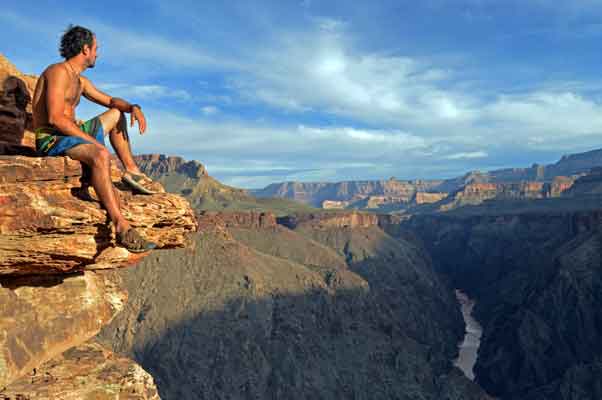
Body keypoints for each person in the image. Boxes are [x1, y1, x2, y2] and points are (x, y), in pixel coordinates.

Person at [32, 25, 157, 253]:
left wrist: (132, 107)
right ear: (85, 49)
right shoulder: (57, 72)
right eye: (96, 48)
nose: (98, 53)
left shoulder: (80, 81)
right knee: (100, 154)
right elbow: (56, 118)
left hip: (70, 135)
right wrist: (94, 143)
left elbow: (110, 102)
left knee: (117, 114)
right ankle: (121, 226)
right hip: (52, 139)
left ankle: (132, 170)